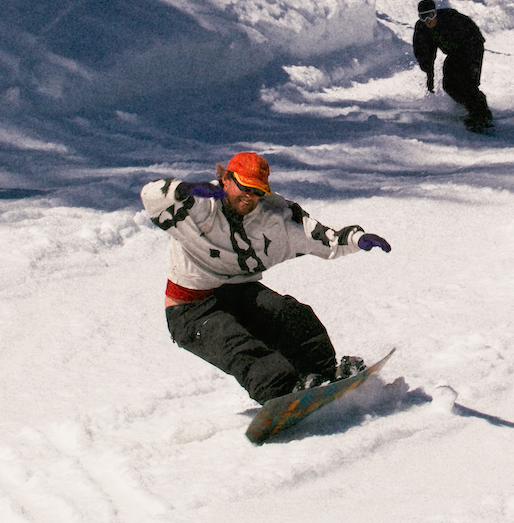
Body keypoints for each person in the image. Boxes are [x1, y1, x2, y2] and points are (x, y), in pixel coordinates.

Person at [141, 151, 392, 403]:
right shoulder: (199, 205)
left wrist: (356, 239)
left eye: (257, 191)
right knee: (236, 343)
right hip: (192, 309)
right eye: (244, 188)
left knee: (290, 314)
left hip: (238, 293)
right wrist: (182, 188)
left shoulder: (272, 216)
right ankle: (280, 392)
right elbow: (151, 196)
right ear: (226, 179)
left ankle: (321, 373)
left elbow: (318, 237)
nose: (250, 198)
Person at [413, 0, 492, 131]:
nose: (428, 21)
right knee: (449, 85)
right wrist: (429, 74)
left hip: (471, 47)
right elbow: (425, 52)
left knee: (468, 82)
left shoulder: (451, 20)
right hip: (454, 53)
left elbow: (473, 40)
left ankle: (481, 115)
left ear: (436, 13)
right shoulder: (422, 29)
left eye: (431, 15)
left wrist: (474, 66)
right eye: (423, 17)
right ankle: (470, 107)